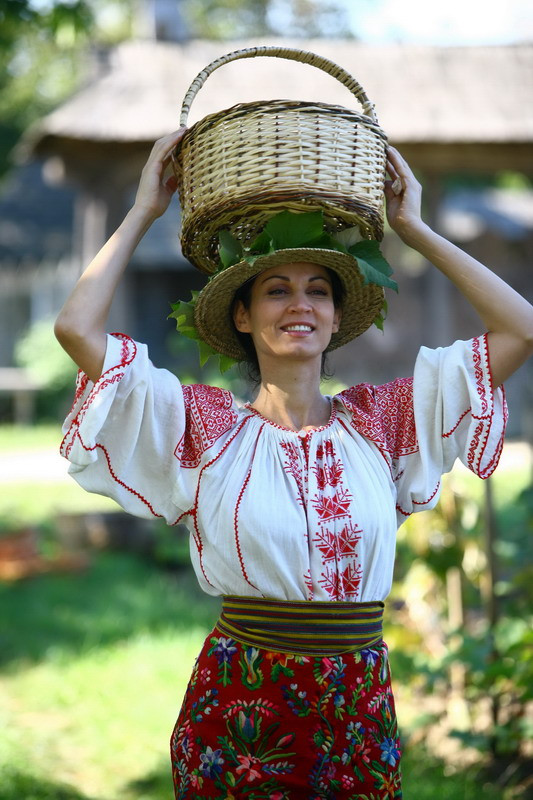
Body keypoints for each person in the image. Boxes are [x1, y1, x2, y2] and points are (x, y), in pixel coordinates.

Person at [55, 127, 533, 800]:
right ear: (243, 318)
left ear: (336, 318)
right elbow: (76, 329)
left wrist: (414, 229)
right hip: (241, 713)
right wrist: (142, 212)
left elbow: (519, 329)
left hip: (357, 709)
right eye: (276, 290)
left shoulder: (383, 424)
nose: (300, 304)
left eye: (318, 291)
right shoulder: (204, 429)